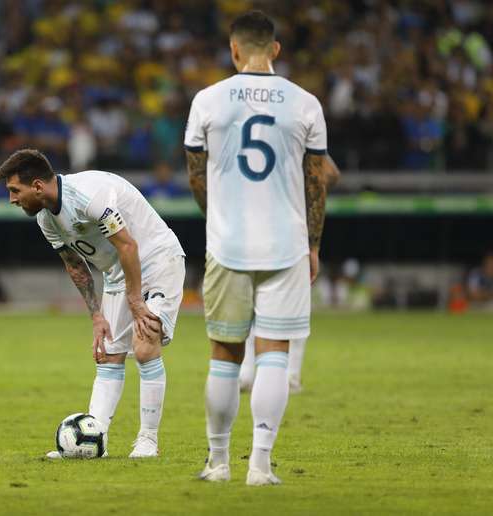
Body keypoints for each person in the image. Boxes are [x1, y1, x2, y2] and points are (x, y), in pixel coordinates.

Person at [184, 11, 332, 485]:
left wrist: (219, 217)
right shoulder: (305, 103)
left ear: (233, 50)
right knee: (274, 354)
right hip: (286, 244)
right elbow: (316, 184)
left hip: (227, 243)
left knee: (225, 356)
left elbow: (195, 174)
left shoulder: (207, 100)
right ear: (275, 50)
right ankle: (261, 465)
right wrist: (312, 245)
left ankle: (218, 462)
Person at [0, 149, 185, 459]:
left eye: (15, 191)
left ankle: (148, 440)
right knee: (108, 355)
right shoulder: (46, 218)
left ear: (38, 186)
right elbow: (75, 265)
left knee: (144, 343)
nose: (12, 200)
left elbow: (128, 244)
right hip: (117, 274)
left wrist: (136, 301)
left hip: (156, 260)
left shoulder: (88, 196)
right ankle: (95, 439)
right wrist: (97, 315)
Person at [238, 156, 341, 394]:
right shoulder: (297, 135)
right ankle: (288, 376)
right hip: (290, 234)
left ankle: (250, 373)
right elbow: (332, 174)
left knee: (253, 302)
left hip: (258, 231)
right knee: (292, 307)